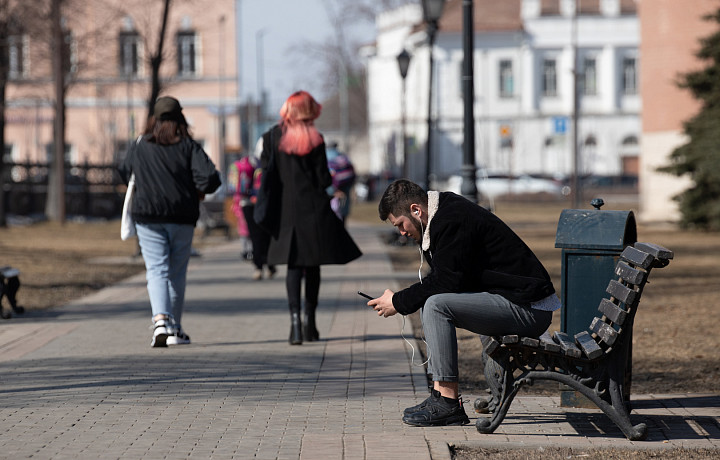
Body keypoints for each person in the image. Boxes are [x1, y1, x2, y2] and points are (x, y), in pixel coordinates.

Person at [367, 179, 560, 427]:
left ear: (416, 210)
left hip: (529, 308)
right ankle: (439, 394)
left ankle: (448, 403)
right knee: (432, 302)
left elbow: (447, 282)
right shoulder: (444, 215)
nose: (401, 232)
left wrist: (398, 300)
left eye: (400, 224)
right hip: (515, 300)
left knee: (436, 305)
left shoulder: (452, 219)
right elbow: (448, 278)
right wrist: (403, 299)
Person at [258, 90, 362, 345]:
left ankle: (294, 324)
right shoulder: (316, 138)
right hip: (313, 209)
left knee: (294, 266)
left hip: (286, 211)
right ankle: (310, 323)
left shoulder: (272, 137)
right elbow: (323, 179)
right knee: (312, 265)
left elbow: (264, 168)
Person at [119, 96, 221, 348]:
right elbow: (210, 177)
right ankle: (173, 326)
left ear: (154, 119)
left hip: (148, 216)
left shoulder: (140, 145)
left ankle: (161, 321)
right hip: (182, 217)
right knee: (176, 272)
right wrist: (195, 189)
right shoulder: (188, 146)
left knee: (156, 269)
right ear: (180, 119)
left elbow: (123, 170)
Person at [232, 148, 276, 280]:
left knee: (254, 235)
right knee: (266, 234)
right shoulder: (269, 163)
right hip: (264, 202)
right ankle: (269, 263)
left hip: (247, 203)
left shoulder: (248, 163)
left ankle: (258, 266)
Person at [325, 142, 356, 224]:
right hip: (345, 187)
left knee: (332, 213)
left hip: (332, 189)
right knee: (343, 212)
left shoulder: (326, 157)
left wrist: (331, 190)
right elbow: (352, 174)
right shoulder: (343, 157)